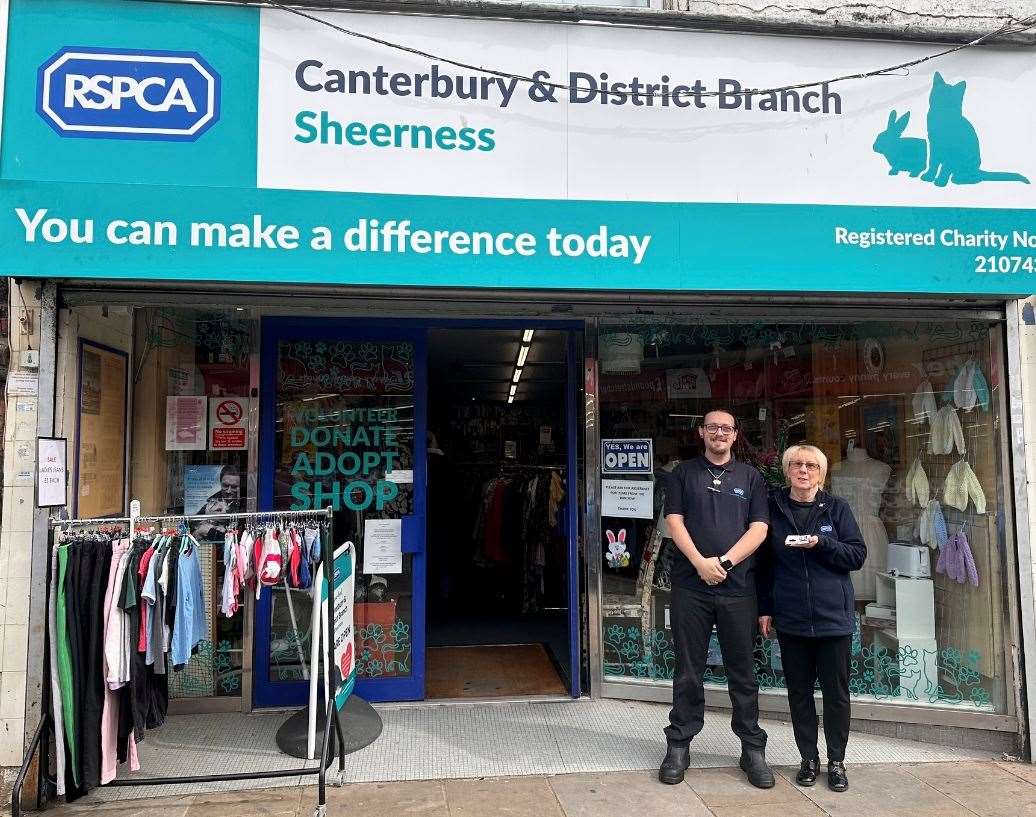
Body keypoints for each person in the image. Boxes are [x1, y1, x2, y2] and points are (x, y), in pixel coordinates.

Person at [660, 409, 773, 789]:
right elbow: (674, 521)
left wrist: (723, 563)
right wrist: (699, 563)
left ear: (736, 435)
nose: (719, 433)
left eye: (726, 428)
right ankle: (679, 744)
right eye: (713, 427)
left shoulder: (751, 477)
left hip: (738, 588)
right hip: (690, 587)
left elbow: (759, 528)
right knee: (689, 668)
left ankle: (752, 747)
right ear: (701, 432)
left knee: (742, 670)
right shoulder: (682, 474)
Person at [757, 444, 867, 793]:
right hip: (791, 618)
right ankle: (808, 758)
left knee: (836, 694)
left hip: (833, 617)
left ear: (821, 473)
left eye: (810, 466)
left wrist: (822, 544)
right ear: (788, 470)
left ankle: (836, 761)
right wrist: (765, 608)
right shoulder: (773, 508)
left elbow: (857, 555)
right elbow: (763, 564)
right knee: (799, 693)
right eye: (796, 465)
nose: (803, 471)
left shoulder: (837, 508)